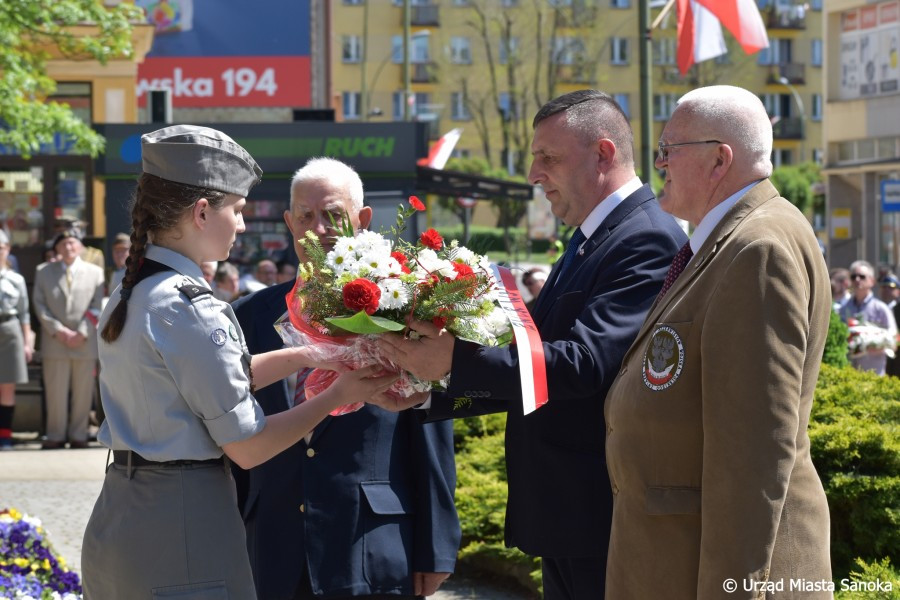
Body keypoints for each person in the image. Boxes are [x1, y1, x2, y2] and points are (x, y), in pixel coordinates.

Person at [378, 90, 686, 599]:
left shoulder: (643, 238)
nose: (533, 174)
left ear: (604, 154)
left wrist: (454, 360)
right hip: (573, 517)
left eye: (549, 157)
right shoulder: (596, 236)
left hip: (598, 518)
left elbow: (583, 366)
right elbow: (541, 376)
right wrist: (432, 390)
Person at [80, 126, 396, 599]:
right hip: (183, 520)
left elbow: (214, 379)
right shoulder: (189, 306)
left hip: (125, 509)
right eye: (238, 210)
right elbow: (248, 446)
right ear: (202, 212)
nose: (243, 225)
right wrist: (340, 393)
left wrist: (313, 353)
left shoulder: (135, 291)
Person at [602, 85, 833, 598]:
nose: (658, 162)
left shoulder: (758, 249)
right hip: (679, 562)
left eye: (669, 149)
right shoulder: (732, 239)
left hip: (717, 574)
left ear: (719, 160)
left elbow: (753, 456)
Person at [231, 156, 460, 600]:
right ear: (289, 224)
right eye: (306, 216)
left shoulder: (402, 307)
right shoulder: (249, 315)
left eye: (334, 215)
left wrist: (436, 548)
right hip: (270, 544)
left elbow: (430, 428)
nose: (319, 228)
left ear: (363, 219)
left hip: (369, 541)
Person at [32, 228, 105, 449]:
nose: (69, 247)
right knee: (55, 392)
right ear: (57, 248)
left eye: (73, 243)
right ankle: (55, 434)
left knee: (83, 392)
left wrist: (82, 332)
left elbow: (97, 305)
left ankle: (79, 435)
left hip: (84, 341)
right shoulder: (44, 271)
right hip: (55, 341)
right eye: (63, 244)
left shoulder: (95, 273)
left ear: (81, 246)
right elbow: (39, 304)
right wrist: (58, 330)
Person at [0, 229, 33, 450]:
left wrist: (27, 342)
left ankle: (5, 436)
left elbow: (24, 313)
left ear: (8, 249)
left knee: (7, 387)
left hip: (9, 330)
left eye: (1, 247)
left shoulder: (16, 279)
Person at [839, 260, 897, 375]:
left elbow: (894, 340)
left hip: (874, 373)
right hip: (849, 372)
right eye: (853, 276)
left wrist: (874, 346)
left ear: (872, 281)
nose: (857, 280)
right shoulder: (843, 308)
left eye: (862, 276)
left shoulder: (881, 309)